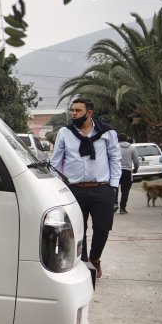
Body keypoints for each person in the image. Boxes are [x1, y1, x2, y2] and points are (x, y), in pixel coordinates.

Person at [50, 98, 121, 278]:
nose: (73, 113)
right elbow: (56, 162)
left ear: (89, 113)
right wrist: (57, 187)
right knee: (77, 229)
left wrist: (113, 186)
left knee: (102, 228)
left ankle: (95, 258)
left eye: (78, 111)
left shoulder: (107, 132)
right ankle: (83, 263)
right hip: (74, 190)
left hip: (102, 188)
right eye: (72, 110)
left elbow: (115, 158)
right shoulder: (65, 132)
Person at [116, 133, 140, 214]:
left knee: (114, 188)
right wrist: (136, 168)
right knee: (125, 190)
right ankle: (122, 208)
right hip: (127, 171)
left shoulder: (115, 147)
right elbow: (136, 160)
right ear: (126, 139)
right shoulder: (132, 148)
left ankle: (114, 203)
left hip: (116, 170)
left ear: (118, 139)